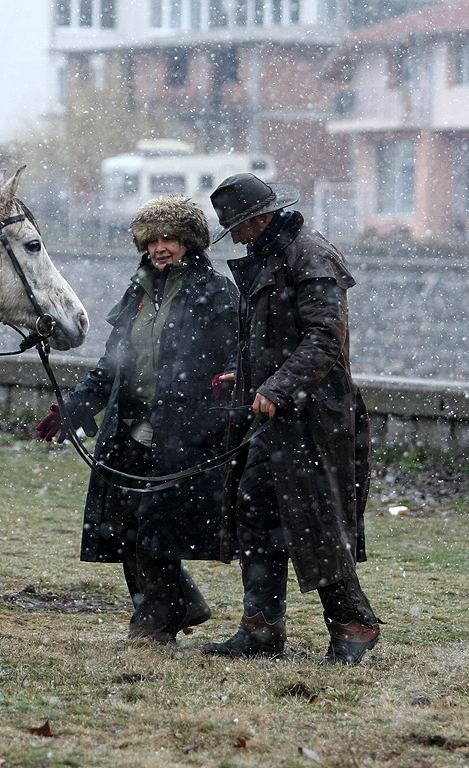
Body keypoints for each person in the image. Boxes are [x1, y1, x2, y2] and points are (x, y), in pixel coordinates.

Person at [37, 196, 238, 643]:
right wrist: (76, 407)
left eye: (169, 238)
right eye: (151, 240)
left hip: (184, 431)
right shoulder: (139, 290)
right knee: (123, 521)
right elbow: (113, 365)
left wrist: (218, 405)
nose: (159, 248)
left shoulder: (217, 292)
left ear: (190, 242)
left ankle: (157, 619)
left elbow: (231, 362)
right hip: (131, 428)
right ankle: (178, 605)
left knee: (156, 523)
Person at [201, 173, 380, 665]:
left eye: (236, 227)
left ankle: (354, 625)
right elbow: (277, 341)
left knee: (316, 522)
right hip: (280, 418)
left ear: (259, 220)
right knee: (256, 512)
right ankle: (261, 628)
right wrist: (249, 379)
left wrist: (276, 388)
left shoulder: (311, 256)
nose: (233, 236)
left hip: (317, 419)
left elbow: (324, 339)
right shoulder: (273, 257)